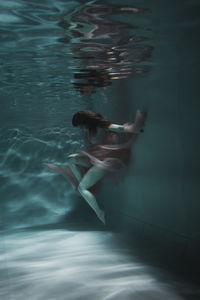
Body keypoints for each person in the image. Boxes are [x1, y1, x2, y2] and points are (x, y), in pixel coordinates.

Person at [45, 110, 146, 225]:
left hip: (105, 162)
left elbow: (119, 128)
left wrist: (134, 128)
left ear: (85, 120)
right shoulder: (90, 129)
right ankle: (82, 185)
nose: (81, 128)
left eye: (81, 125)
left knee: (83, 188)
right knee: (71, 159)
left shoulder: (102, 125)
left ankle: (99, 212)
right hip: (95, 159)